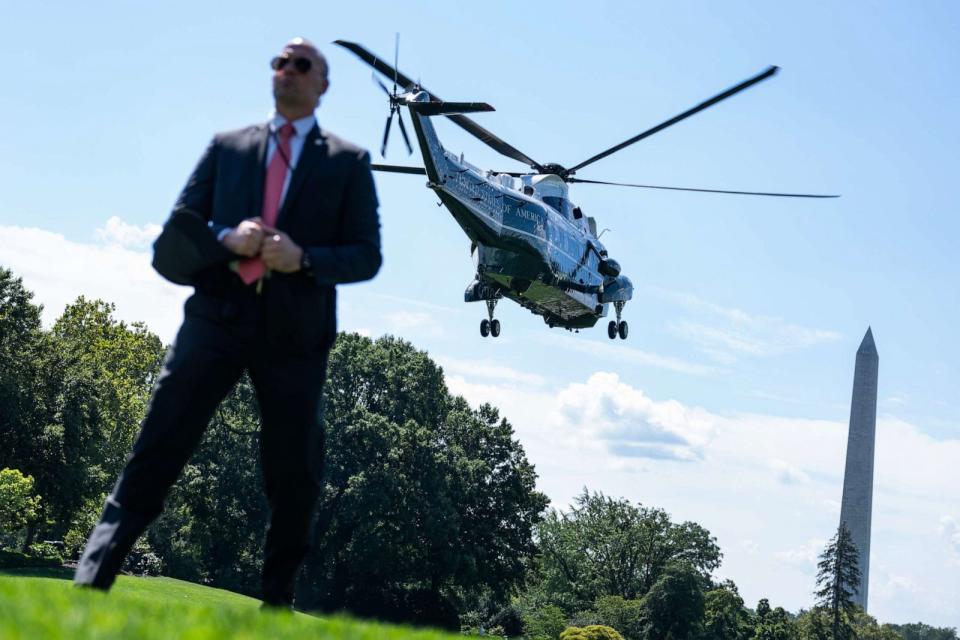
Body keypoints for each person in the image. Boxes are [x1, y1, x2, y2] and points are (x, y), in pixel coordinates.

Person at [73, 38, 382, 609]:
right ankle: (91, 581)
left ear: (323, 85)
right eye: (280, 62)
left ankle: (276, 604)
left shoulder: (348, 163)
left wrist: (305, 258)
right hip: (216, 318)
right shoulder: (228, 147)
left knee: (293, 472)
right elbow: (178, 230)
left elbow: (367, 256)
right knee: (158, 442)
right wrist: (226, 239)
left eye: (301, 65)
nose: (287, 71)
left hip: (294, 336)